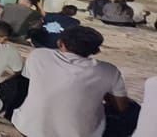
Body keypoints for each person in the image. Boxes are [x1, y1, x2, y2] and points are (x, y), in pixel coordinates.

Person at [12, 26, 141, 137]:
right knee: (134, 110)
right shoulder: (109, 70)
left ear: (60, 43)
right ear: (96, 51)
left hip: (28, 128)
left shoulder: (38, 55)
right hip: (79, 134)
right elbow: (122, 107)